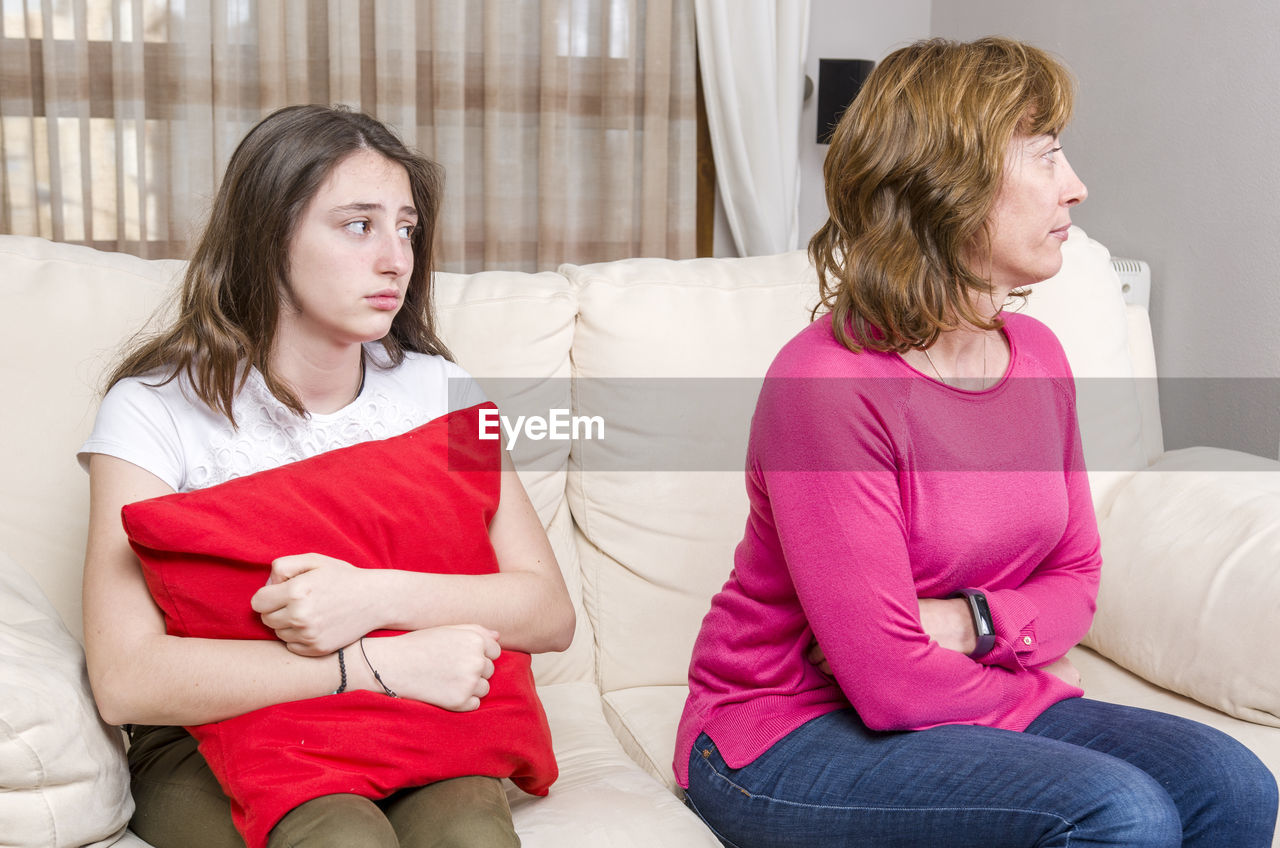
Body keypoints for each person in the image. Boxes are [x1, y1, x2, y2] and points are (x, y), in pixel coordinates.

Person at [675, 37, 1278, 848]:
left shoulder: (1042, 360)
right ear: (947, 187)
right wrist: (1031, 679)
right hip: (779, 729)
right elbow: (886, 680)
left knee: (1232, 783)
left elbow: (1077, 575)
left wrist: (975, 626)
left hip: (960, 682)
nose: (1076, 186)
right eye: (1047, 156)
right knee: (1119, 810)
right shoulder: (827, 385)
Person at [79, 105, 575, 848]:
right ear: (268, 233)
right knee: (342, 839)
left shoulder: (443, 391)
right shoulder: (153, 410)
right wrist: (374, 661)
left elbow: (546, 610)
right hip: (217, 731)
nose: (396, 259)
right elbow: (126, 678)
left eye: (405, 228)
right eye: (358, 225)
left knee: (473, 837)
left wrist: (370, 597)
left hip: (416, 715)